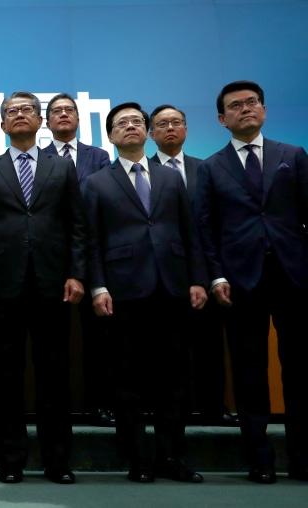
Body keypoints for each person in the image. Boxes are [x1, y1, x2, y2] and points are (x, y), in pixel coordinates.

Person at [0, 91, 87, 485]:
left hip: (54, 283)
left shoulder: (62, 167)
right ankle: (10, 459)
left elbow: (77, 226)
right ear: (1, 125)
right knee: (5, 375)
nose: (20, 116)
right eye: (11, 112)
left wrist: (76, 272)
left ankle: (57, 461)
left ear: (41, 121)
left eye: (27, 111)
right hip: (2, 284)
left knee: (54, 374)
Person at [83, 102, 208, 484]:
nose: (132, 127)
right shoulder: (96, 182)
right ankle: (138, 459)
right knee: (127, 379)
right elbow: (91, 241)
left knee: (174, 378)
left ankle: (172, 457)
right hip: (122, 290)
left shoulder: (171, 178)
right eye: (123, 123)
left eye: (138, 121)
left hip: (172, 286)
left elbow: (191, 234)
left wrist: (197, 279)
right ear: (111, 136)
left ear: (148, 131)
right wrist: (98, 285)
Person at [196, 80, 308, 484]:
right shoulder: (210, 167)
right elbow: (204, 228)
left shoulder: (292, 155)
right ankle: (259, 460)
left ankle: (302, 459)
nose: (246, 109)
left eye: (252, 103)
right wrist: (216, 275)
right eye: (235, 106)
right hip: (240, 281)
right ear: (222, 119)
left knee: (299, 370)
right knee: (249, 371)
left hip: (294, 276)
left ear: (263, 110)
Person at [148, 104, 237, 428]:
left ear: (186, 130)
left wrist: (211, 274)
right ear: (151, 133)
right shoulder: (142, 172)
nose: (170, 128)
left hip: (206, 269)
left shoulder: (207, 169)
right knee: (166, 350)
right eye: (162, 124)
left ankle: (214, 407)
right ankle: (173, 410)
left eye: (177, 122)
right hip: (159, 274)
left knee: (210, 344)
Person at [42, 93, 114, 427]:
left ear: (79, 118)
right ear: (47, 121)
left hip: (93, 254)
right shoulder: (37, 159)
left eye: (69, 110)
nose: (63, 115)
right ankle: (58, 409)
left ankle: (98, 403)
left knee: (98, 337)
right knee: (52, 341)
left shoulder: (98, 157)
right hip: (52, 257)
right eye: (56, 112)